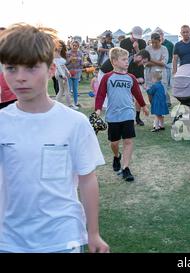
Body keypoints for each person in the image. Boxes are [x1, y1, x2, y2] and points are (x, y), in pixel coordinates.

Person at [0, 24, 109, 253]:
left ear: (51, 70)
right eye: (11, 68)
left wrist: (93, 233)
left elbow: (87, 180)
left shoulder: (74, 123)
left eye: (31, 68)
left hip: (62, 238)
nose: (20, 78)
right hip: (10, 239)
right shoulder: (2, 121)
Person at [95, 47, 149, 182]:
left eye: (127, 59)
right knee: (114, 143)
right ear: (114, 61)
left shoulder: (130, 77)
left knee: (128, 141)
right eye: (124, 59)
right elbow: (100, 94)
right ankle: (116, 155)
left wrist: (143, 106)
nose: (127, 62)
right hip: (113, 115)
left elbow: (137, 93)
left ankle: (126, 168)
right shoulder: (107, 77)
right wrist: (98, 109)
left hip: (128, 114)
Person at [120, 26, 147, 126]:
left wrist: (137, 49)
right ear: (131, 33)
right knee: (126, 96)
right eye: (135, 37)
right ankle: (127, 117)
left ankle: (137, 117)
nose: (136, 39)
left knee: (138, 96)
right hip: (126, 71)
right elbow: (121, 57)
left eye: (138, 37)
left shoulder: (142, 42)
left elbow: (143, 58)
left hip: (139, 71)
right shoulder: (124, 43)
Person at [145, 33, 169, 107]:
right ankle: (154, 108)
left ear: (160, 41)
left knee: (160, 94)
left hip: (160, 74)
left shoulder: (164, 49)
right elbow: (145, 63)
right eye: (152, 42)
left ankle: (159, 113)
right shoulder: (148, 48)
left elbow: (163, 63)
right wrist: (158, 61)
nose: (154, 44)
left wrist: (151, 59)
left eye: (156, 42)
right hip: (149, 74)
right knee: (150, 93)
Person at [54, 40, 74, 108]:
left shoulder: (59, 54)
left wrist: (67, 71)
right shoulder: (55, 54)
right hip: (60, 73)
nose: (60, 47)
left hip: (62, 72)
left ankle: (55, 104)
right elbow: (58, 66)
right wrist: (63, 75)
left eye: (61, 46)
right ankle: (69, 105)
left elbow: (62, 65)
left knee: (61, 90)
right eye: (59, 46)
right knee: (66, 90)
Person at [66, 40, 83, 108]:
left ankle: (76, 103)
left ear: (78, 46)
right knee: (69, 89)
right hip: (69, 73)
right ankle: (69, 104)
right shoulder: (67, 53)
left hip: (76, 73)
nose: (74, 47)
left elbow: (81, 65)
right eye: (73, 45)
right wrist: (70, 59)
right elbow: (65, 64)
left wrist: (78, 70)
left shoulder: (80, 53)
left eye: (76, 45)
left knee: (75, 89)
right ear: (71, 45)